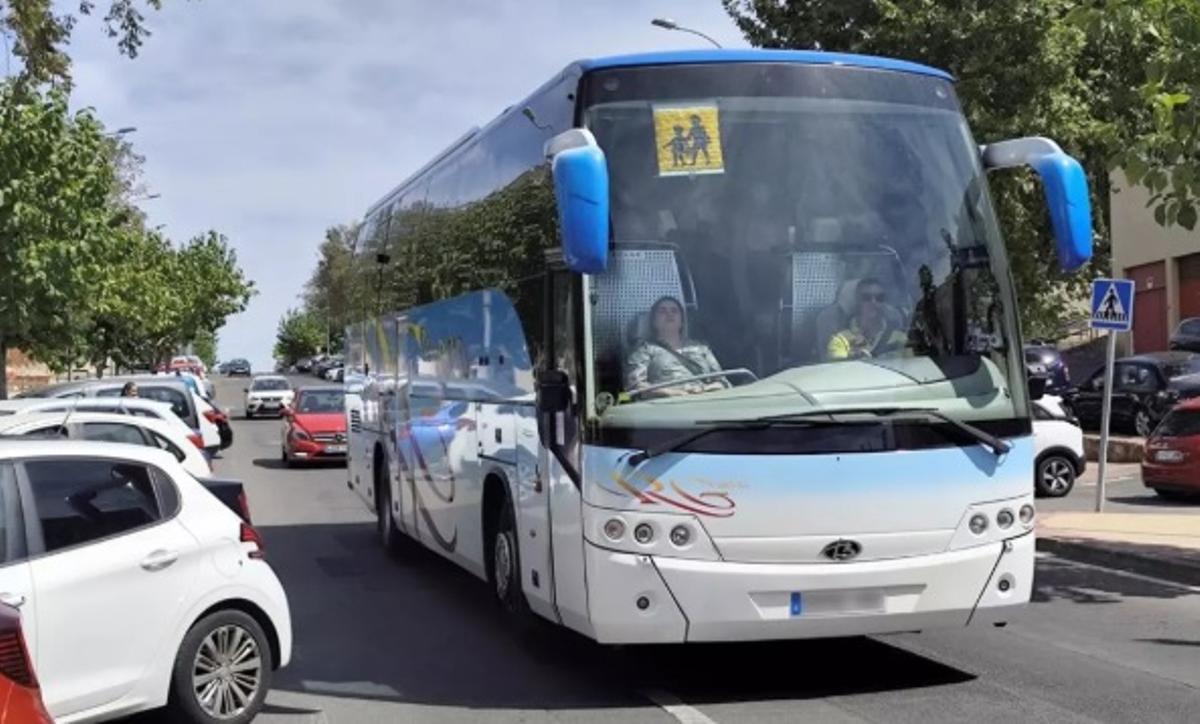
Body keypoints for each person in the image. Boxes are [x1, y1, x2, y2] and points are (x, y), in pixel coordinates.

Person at [625, 296, 726, 397]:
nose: (669, 314)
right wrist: (672, 392)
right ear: (653, 321)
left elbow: (722, 382)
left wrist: (703, 389)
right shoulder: (644, 350)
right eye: (662, 311)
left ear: (682, 321)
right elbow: (636, 386)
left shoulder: (701, 348)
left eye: (674, 311)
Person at [826, 277, 908, 360]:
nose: (873, 302)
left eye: (879, 298)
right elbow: (839, 369)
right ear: (857, 302)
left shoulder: (900, 339)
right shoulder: (841, 341)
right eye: (866, 298)